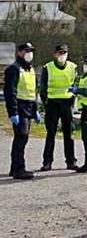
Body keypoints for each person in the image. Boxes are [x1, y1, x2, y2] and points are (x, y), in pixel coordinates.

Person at [5, 42, 41, 179]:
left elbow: (33, 92)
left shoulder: (30, 69)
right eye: (26, 51)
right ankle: (19, 169)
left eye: (31, 50)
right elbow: (11, 92)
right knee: (21, 137)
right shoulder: (14, 69)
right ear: (19, 52)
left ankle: (15, 168)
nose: (29, 53)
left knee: (23, 138)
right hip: (19, 108)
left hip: (28, 108)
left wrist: (35, 110)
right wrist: (13, 112)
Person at [40, 44, 78, 171]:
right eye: (60, 53)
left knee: (69, 133)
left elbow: (75, 84)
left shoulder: (73, 67)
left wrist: (72, 101)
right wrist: (45, 103)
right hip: (52, 103)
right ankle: (47, 162)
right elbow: (43, 88)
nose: (62, 55)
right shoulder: (48, 67)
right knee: (51, 133)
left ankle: (71, 161)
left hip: (67, 103)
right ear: (55, 54)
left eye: (64, 53)